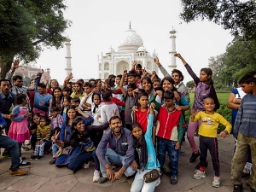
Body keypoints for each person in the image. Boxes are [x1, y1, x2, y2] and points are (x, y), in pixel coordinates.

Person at [175, 53, 219, 163]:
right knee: (189, 135)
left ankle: (203, 160)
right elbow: (190, 71)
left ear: (208, 76)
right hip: (195, 114)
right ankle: (195, 152)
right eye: (200, 74)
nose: (200, 76)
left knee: (203, 138)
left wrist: (209, 112)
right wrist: (181, 58)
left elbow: (216, 104)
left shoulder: (210, 89)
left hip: (204, 115)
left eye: (203, 74)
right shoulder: (198, 83)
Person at [191, 97, 231, 188]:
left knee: (215, 158)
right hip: (202, 138)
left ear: (214, 105)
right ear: (203, 105)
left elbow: (228, 124)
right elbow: (194, 120)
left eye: (211, 103)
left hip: (212, 140)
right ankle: (201, 171)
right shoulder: (201, 113)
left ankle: (217, 176)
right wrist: (193, 116)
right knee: (202, 156)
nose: (209, 105)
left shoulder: (217, 116)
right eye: (207, 104)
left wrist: (225, 131)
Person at [231, 74, 256, 192]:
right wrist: (236, 132)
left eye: (243, 86)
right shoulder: (245, 98)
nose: (242, 89)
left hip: (255, 136)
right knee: (238, 159)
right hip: (242, 134)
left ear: (252, 84)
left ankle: (253, 184)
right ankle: (236, 183)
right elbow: (239, 116)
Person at [130, 103, 161, 192]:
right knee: (133, 191)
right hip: (141, 169)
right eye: (135, 132)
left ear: (141, 130)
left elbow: (150, 123)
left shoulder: (147, 137)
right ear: (132, 133)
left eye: (139, 130)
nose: (137, 133)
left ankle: (157, 177)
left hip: (152, 168)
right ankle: (146, 180)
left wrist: (151, 110)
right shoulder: (133, 142)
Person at [96, 116, 135, 184]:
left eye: (118, 123)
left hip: (125, 156)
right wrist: (107, 167)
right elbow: (99, 150)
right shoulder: (107, 134)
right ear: (110, 125)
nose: (116, 125)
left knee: (130, 172)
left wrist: (120, 172)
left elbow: (130, 152)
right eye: (113, 124)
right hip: (115, 154)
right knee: (101, 152)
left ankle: (122, 170)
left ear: (121, 123)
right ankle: (106, 175)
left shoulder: (128, 133)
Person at [155, 90, 183, 185]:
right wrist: (154, 94)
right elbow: (152, 103)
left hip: (173, 140)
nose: (167, 103)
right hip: (161, 138)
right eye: (165, 101)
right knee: (160, 156)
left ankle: (174, 174)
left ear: (173, 100)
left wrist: (179, 141)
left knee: (174, 157)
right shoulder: (161, 108)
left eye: (169, 101)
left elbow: (181, 127)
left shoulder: (178, 112)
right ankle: (160, 171)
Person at [8, 94, 31, 166]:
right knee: (18, 144)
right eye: (26, 98)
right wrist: (23, 116)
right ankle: (18, 160)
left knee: (20, 144)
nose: (27, 100)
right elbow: (13, 118)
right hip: (18, 128)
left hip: (23, 127)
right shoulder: (17, 108)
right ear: (23, 99)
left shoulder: (25, 107)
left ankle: (18, 157)